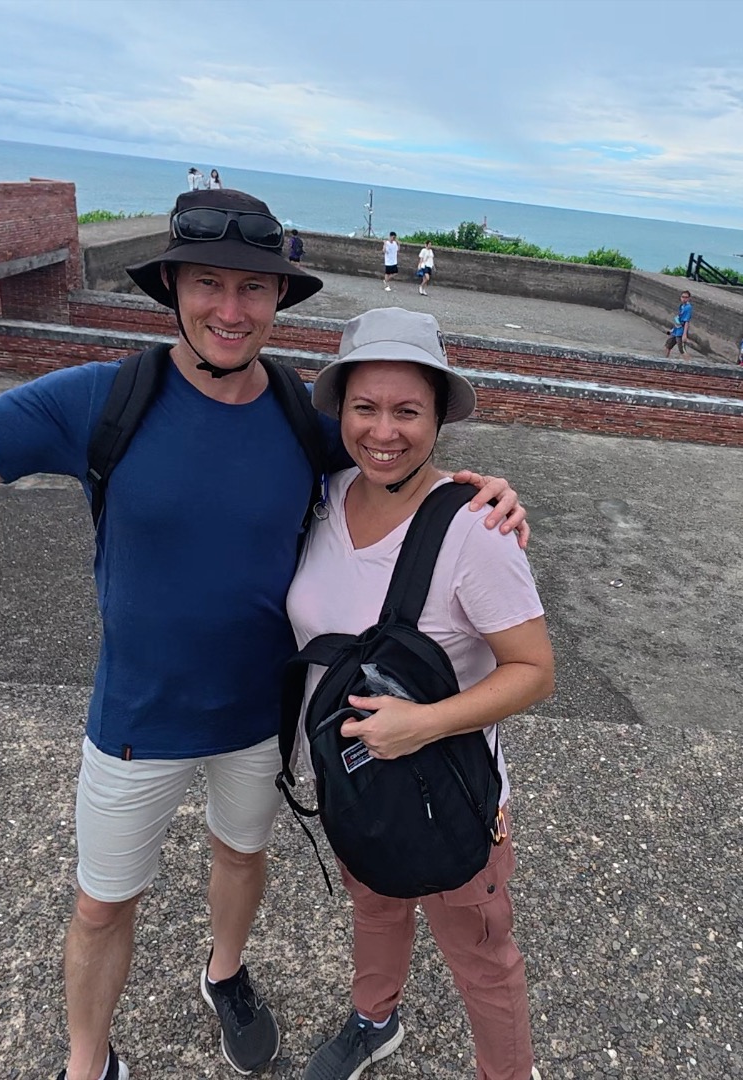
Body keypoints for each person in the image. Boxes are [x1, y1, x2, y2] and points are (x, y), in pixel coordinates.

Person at [0, 115, 527, 1080]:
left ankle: (224, 973)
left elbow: (393, 459)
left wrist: (482, 491)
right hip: (136, 717)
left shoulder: (301, 417)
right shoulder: (96, 402)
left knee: (241, 858)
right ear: (172, 290)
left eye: (254, 286)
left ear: (279, 297)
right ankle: (87, 1061)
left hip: (260, 720)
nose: (230, 308)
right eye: (208, 283)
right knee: (102, 903)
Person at [290, 307, 555, 1080]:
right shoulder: (323, 496)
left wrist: (426, 723)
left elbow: (534, 669)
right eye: (364, 408)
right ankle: (375, 1019)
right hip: (352, 779)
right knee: (374, 908)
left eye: (407, 411)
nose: (384, 431)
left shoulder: (476, 529)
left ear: (438, 418)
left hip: (450, 793)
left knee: (482, 955)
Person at [664, 290, 693, 357]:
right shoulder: (681, 306)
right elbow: (679, 319)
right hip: (676, 329)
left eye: (686, 297)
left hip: (681, 331)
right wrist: (672, 329)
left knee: (682, 350)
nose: (684, 299)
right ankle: (665, 359)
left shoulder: (688, 308)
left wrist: (684, 334)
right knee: (668, 346)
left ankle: (688, 361)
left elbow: (686, 321)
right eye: (683, 297)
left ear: (689, 298)